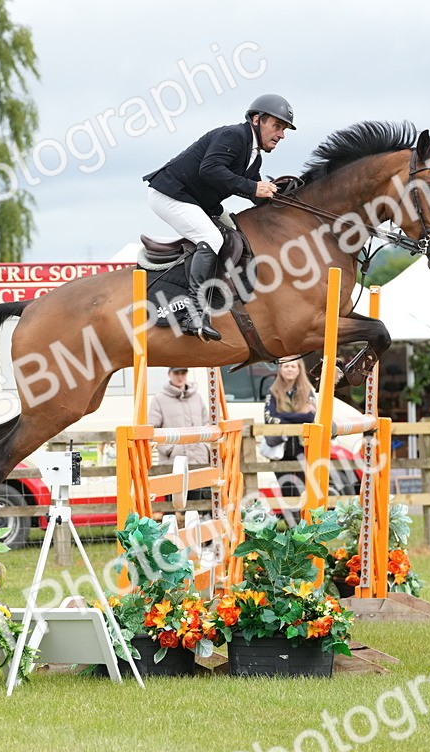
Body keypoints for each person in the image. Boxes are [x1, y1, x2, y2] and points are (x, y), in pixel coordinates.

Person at [143, 93, 297, 341]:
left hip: (198, 201)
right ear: (257, 119)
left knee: (239, 233)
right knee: (212, 238)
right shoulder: (234, 136)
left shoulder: (254, 155)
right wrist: (253, 187)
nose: (281, 135)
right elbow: (210, 170)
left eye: (284, 129)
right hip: (170, 194)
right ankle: (193, 314)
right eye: (277, 126)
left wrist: (280, 194)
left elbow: (253, 191)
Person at [147, 367, 212, 503]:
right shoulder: (159, 399)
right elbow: (151, 430)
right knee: (173, 506)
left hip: (198, 460)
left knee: (199, 504)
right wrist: (169, 449)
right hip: (173, 462)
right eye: (176, 373)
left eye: (183, 373)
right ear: (169, 374)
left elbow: (207, 424)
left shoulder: (197, 397)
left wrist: (205, 447)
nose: (180, 376)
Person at [262, 360, 316, 497]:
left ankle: (303, 518)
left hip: (303, 447)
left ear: (299, 370)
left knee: (304, 489)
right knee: (286, 489)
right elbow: (269, 418)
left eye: (293, 366)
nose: (290, 369)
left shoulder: (308, 391)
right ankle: (289, 519)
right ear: (280, 369)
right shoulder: (272, 392)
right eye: (286, 366)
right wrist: (299, 415)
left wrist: (282, 416)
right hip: (280, 449)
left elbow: (310, 417)